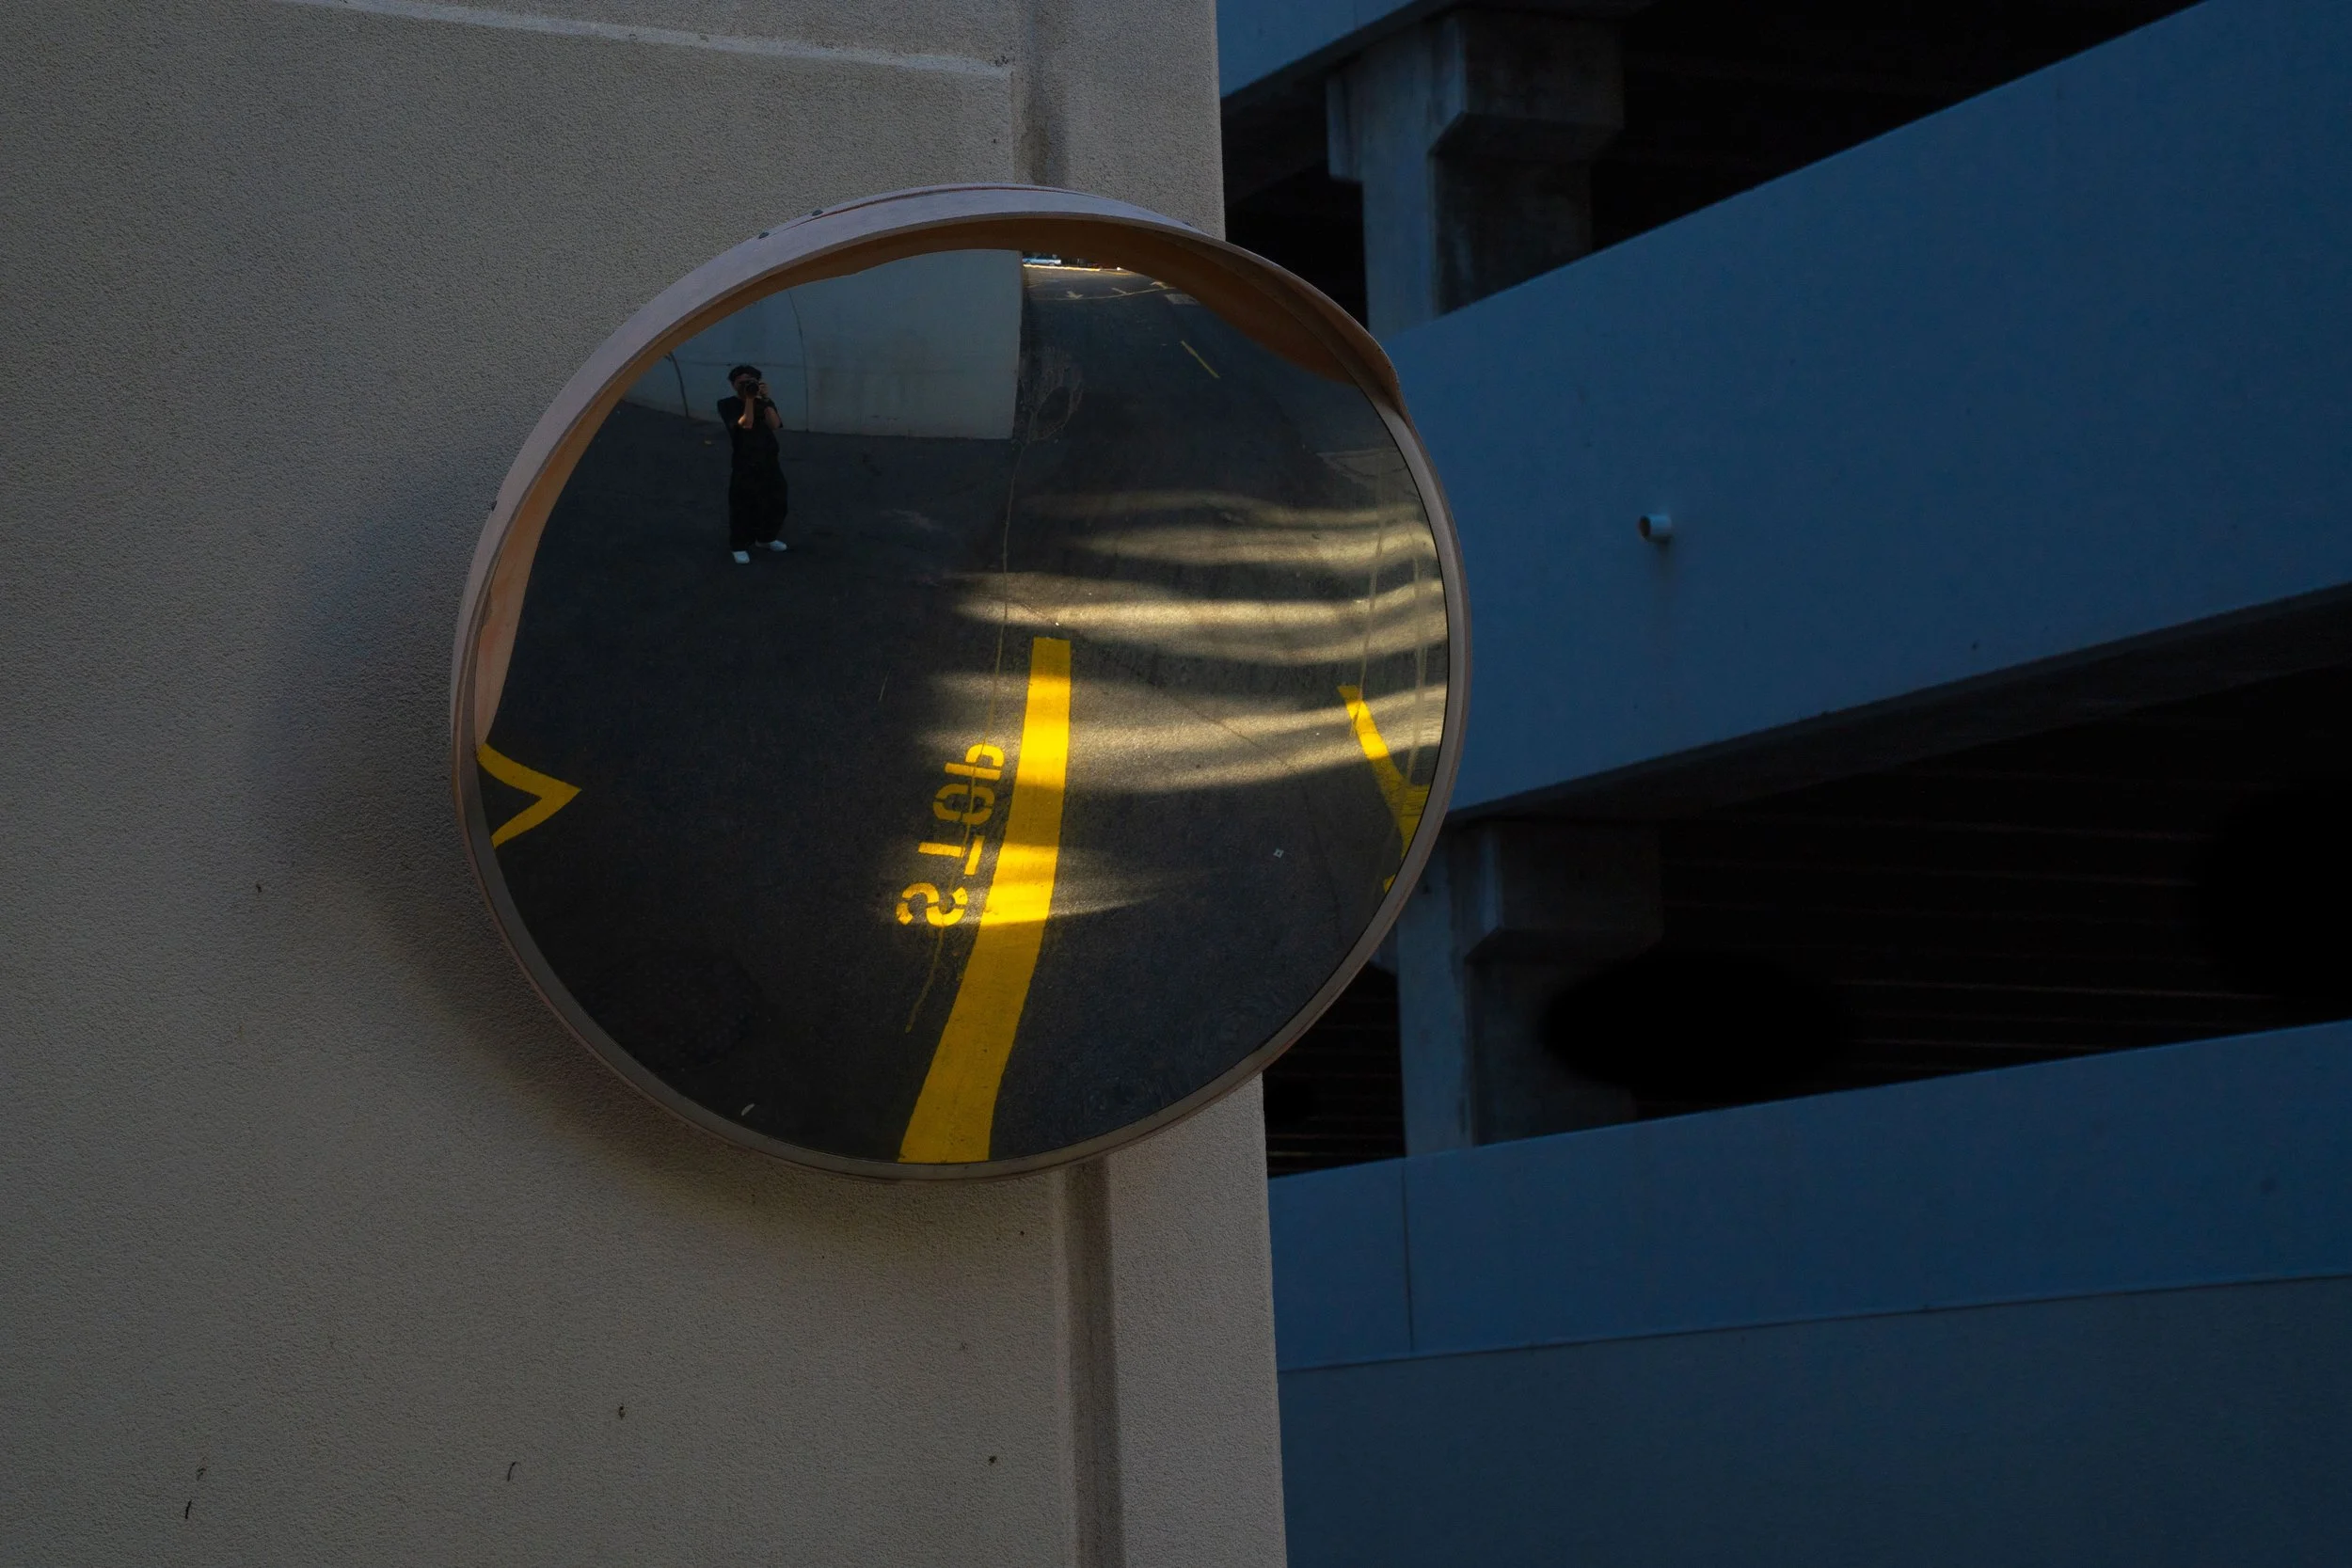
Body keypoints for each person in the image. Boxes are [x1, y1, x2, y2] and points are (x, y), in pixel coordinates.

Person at [718, 364, 789, 563]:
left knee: (777, 503)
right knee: (742, 506)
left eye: (751, 382)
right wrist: (749, 399)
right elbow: (746, 424)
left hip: (769, 461)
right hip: (745, 463)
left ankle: (766, 538)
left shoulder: (764, 402)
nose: (747, 386)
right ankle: (739, 545)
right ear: (733, 385)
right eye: (742, 383)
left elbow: (775, 425)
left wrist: (765, 400)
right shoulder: (727, 404)